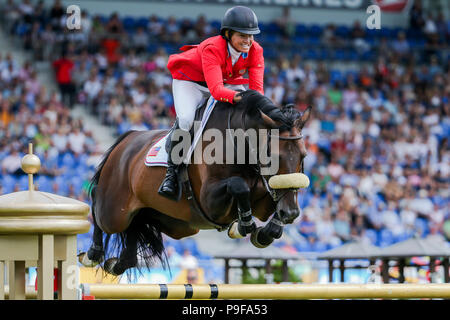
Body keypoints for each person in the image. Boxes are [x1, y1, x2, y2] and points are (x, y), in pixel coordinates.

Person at [158, 6, 288, 200]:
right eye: (242, 35)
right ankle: (171, 173)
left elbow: (257, 91)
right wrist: (240, 98)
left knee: (250, 112)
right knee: (186, 119)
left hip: (226, 82)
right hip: (191, 82)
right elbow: (216, 91)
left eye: (251, 35)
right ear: (228, 34)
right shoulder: (213, 48)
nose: (248, 40)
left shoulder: (256, 50)